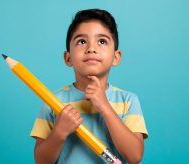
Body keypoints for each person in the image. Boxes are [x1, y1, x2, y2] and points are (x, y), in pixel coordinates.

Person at [30, 9, 148, 164]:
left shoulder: (128, 100)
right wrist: (59, 132)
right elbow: (41, 161)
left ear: (116, 57)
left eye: (102, 41)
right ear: (68, 58)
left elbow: (135, 156)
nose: (91, 48)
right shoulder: (52, 101)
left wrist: (105, 106)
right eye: (82, 41)